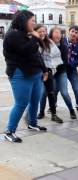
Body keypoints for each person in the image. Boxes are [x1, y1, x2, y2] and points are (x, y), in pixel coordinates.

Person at [3, 10, 48, 142]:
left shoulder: (26, 34)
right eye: (32, 21)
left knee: (35, 101)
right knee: (21, 103)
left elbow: (36, 54)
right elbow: (25, 51)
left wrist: (44, 69)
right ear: (24, 20)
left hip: (35, 73)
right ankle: (9, 131)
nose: (34, 24)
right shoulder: (12, 34)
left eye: (35, 21)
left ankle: (32, 123)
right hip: (20, 74)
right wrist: (35, 37)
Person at [34, 24, 64, 123]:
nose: (42, 33)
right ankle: (40, 112)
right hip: (37, 71)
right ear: (35, 32)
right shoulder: (32, 42)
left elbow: (56, 54)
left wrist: (51, 66)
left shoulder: (49, 42)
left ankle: (53, 114)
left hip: (48, 70)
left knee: (51, 92)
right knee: (40, 93)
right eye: (40, 31)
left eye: (44, 31)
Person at [47, 27, 77, 119]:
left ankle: (71, 110)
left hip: (61, 72)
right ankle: (53, 111)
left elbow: (64, 61)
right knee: (52, 92)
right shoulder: (46, 45)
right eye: (55, 32)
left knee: (64, 92)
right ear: (51, 34)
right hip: (51, 73)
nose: (57, 35)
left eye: (59, 33)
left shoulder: (64, 46)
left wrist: (52, 64)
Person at [64, 26, 78, 114]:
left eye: (76, 33)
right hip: (62, 69)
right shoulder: (63, 41)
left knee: (77, 89)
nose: (74, 34)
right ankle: (53, 106)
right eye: (72, 31)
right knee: (56, 89)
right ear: (69, 32)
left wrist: (71, 63)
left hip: (72, 69)